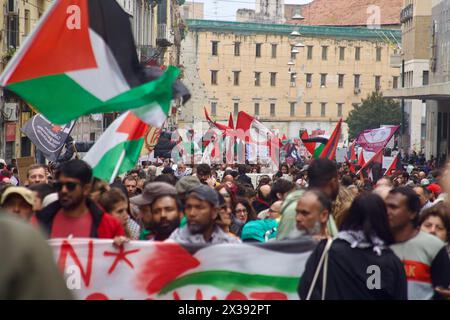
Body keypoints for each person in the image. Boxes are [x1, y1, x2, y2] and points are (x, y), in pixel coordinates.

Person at [298, 193, 407, 300]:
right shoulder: (391, 261)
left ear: (351, 215)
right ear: (382, 218)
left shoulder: (327, 250)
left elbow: (305, 288)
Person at [35, 160, 126, 240]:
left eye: (70, 186)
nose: (64, 190)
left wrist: (121, 246)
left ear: (86, 189)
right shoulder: (40, 221)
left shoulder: (109, 226)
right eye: (59, 186)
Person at [386, 187, 450, 300]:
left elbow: (441, 291)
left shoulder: (434, 246)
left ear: (412, 213)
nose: (387, 211)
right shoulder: (376, 245)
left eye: (393, 207)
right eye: (385, 206)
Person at [0, 213, 73, 299]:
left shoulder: (32, 240)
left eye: (23, 205)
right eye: (10, 203)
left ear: (31, 210)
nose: (16, 209)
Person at [169, 185, 241, 244]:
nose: (192, 213)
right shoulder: (173, 243)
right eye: (188, 207)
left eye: (199, 207)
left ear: (214, 212)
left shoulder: (231, 244)